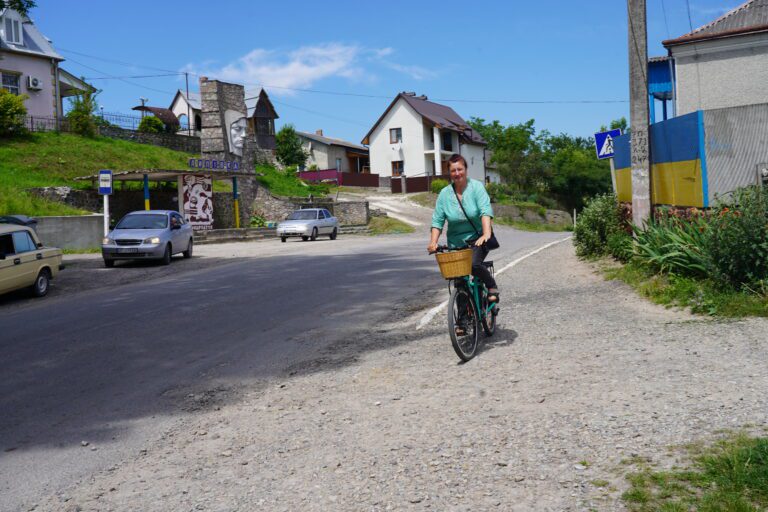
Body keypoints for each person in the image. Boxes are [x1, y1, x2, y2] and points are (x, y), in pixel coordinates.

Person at [428, 153, 499, 303]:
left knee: (473, 265)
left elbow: (485, 211)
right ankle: (461, 322)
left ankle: (491, 285)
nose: (457, 173)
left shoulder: (476, 187)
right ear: (449, 173)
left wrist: (486, 233)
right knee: (459, 280)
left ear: (466, 170)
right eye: (453, 170)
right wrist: (433, 242)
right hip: (456, 242)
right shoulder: (444, 194)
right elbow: (437, 221)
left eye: (460, 169)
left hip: (478, 239)